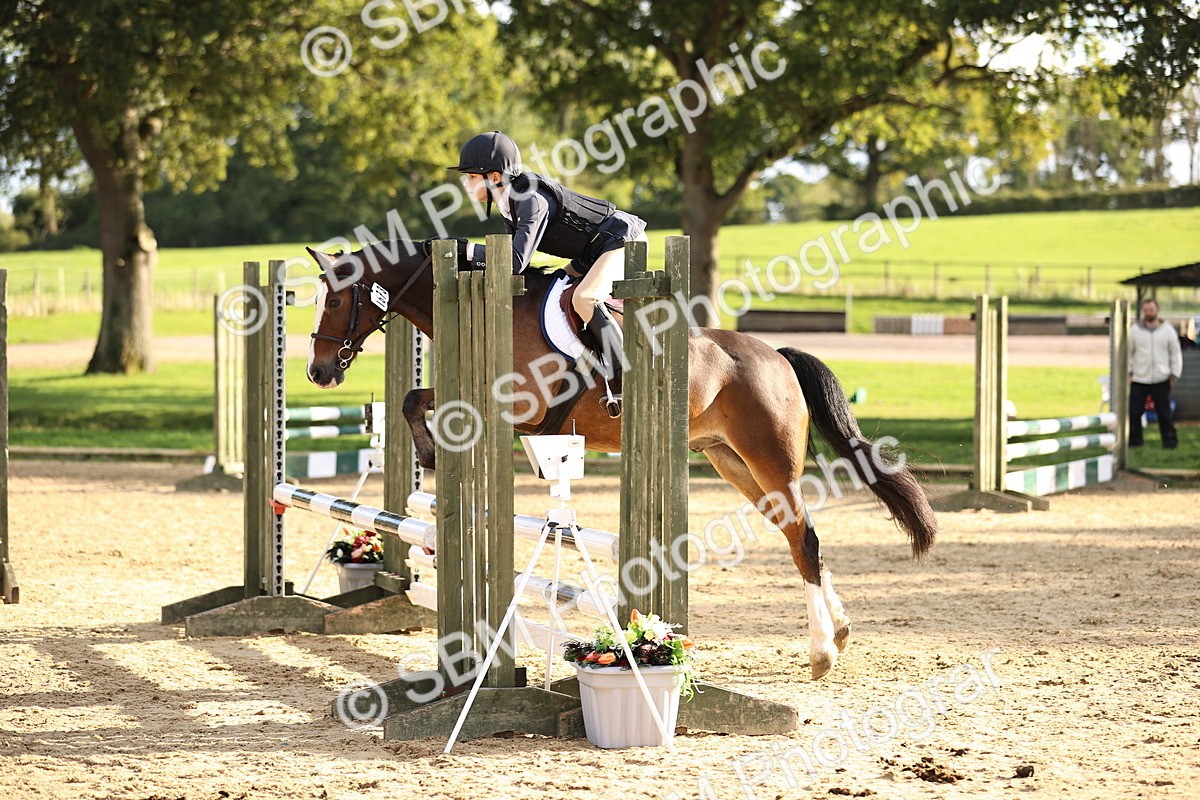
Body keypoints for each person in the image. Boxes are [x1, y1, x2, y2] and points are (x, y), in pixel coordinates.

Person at [449, 131, 647, 399]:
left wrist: (469, 250)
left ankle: (624, 377)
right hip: (590, 253)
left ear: (494, 177)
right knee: (552, 288)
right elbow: (509, 263)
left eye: (472, 176)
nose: (466, 183)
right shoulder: (508, 203)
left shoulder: (530, 199)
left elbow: (515, 261)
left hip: (621, 239)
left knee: (584, 298)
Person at [1128, 297, 1182, 449]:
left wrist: (1174, 375)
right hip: (1140, 378)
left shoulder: (1168, 330)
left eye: (1151, 309)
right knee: (1134, 413)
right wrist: (1129, 373)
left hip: (1161, 378)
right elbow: (1127, 352)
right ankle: (1135, 441)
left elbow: (1175, 353)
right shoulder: (1135, 330)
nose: (1148, 313)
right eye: (1145, 310)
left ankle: (1170, 442)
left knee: (1164, 413)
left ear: (1157, 310)